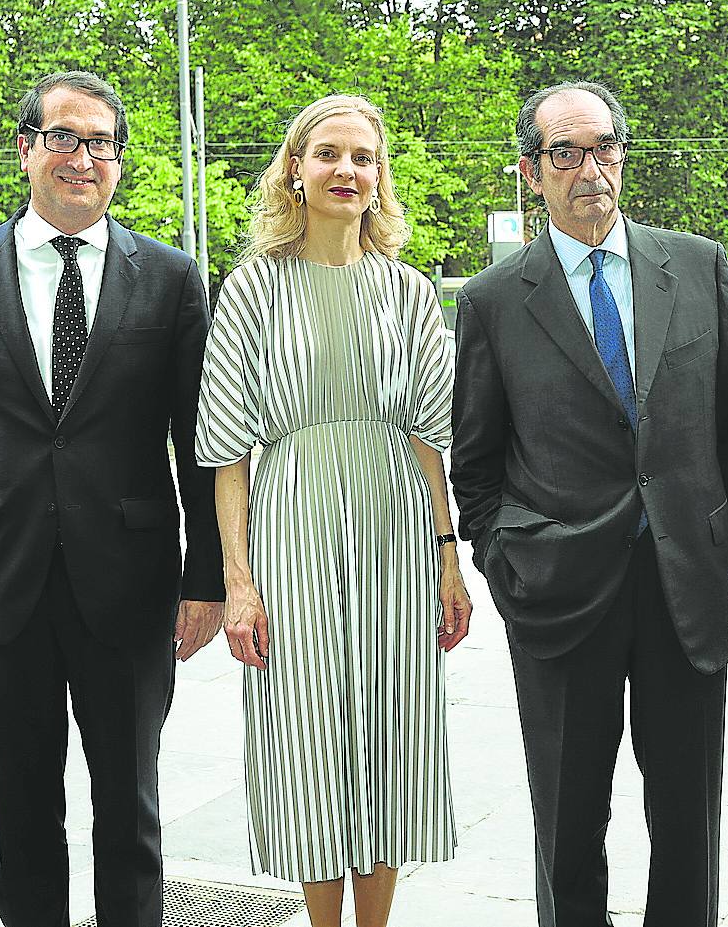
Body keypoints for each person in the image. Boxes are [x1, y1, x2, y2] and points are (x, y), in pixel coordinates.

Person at [450, 80, 728, 927]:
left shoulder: (695, 265)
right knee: (568, 817)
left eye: (605, 148)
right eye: (566, 153)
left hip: (684, 579)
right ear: (531, 171)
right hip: (558, 589)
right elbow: (475, 463)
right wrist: (505, 561)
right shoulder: (491, 300)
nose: (590, 169)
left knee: (689, 816)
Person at [0, 71, 224, 926]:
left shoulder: (171, 276)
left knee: (131, 813)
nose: (83, 157)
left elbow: (199, 441)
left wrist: (208, 577)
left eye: (102, 142)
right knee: (20, 810)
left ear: (119, 160)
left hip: (132, 582)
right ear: (25, 148)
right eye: (64, 137)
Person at [194, 94, 467, 927]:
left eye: (363, 157)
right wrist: (238, 581)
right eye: (327, 154)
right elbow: (228, 451)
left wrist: (449, 558)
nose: (346, 169)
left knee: (390, 729)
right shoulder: (251, 288)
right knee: (307, 732)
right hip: (292, 522)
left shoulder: (409, 291)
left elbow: (429, 436)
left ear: (380, 177)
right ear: (295, 170)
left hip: (394, 522)